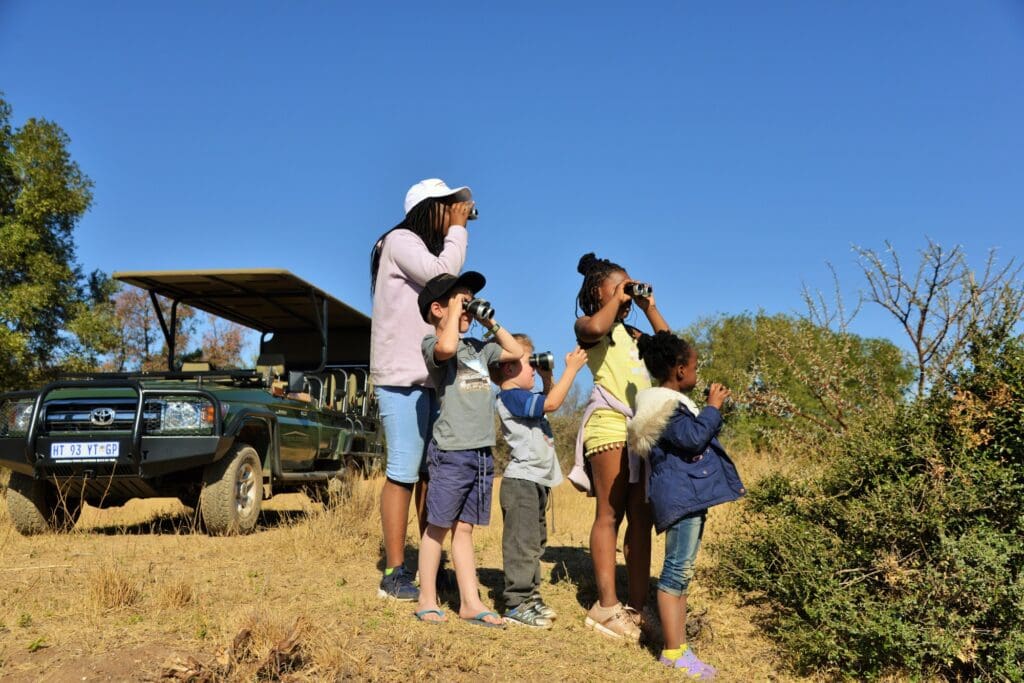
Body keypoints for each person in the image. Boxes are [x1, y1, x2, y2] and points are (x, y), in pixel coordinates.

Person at [369, 178, 475, 600]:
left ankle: (432, 565)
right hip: (400, 376)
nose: (456, 209)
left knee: (434, 473)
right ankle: (395, 572)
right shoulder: (399, 240)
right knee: (404, 470)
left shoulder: (425, 249)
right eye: (449, 204)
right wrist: (460, 229)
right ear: (430, 208)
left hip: (432, 375)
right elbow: (443, 275)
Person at [628, 331, 745, 679]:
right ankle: (673, 651)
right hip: (682, 497)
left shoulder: (666, 404)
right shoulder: (667, 409)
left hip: (688, 496)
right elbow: (693, 439)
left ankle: (679, 648)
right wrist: (712, 407)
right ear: (679, 370)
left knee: (682, 572)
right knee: (676, 572)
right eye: (694, 366)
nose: (697, 373)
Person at [569, 252, 670, 640]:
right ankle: (606, 606)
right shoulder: (587, 325)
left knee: (641, 517)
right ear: (599, 291)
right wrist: (616, 298)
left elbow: (671, 353)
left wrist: (649, 308)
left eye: (631, 288)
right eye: (621, 289)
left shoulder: (633, 335)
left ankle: (639, 607)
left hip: (640, 428)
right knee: (609, 514)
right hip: (608, 424)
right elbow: (595, 325)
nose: (627, 297)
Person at [414, 271, 524, 626]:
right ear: (437, 308)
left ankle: (470, 602)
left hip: (480, 454)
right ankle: (426, 597)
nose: (468, 305)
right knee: (437, 526)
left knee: (464, 530)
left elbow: (515, 351)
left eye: (470, 299)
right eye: (462, 299)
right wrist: (453, 314)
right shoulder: (433, 346)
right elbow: (446, 347)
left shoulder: (480, 347)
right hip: (451, 451)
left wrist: (489, 321)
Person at [492, 336, 588, 628]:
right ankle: (516, 603)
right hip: (521, 483)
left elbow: (547, 399)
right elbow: (553, 402)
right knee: (522, 545)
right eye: (528, 364)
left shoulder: (523, 396)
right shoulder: (511, 396)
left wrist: (548, 378)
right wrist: (572, 369)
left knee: (533, 544)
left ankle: (530, 596)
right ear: (508, 368)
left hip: (535, 482)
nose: (533, 369)